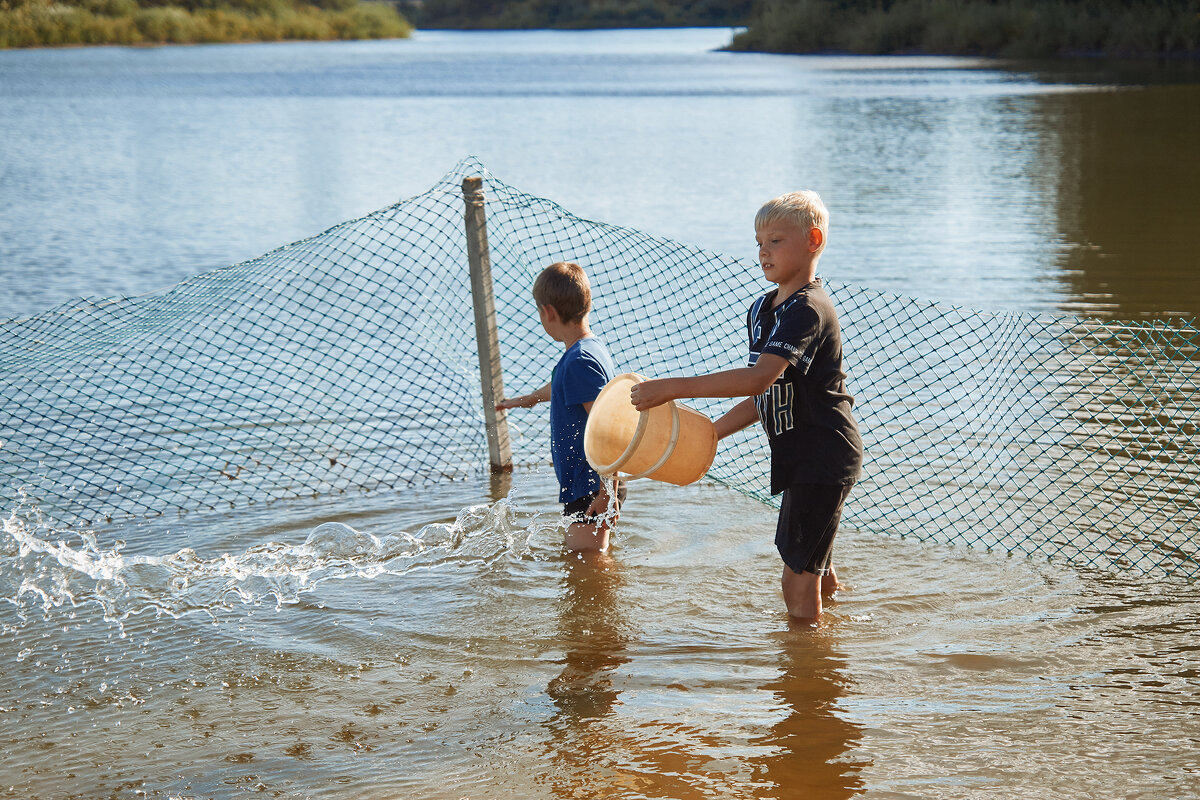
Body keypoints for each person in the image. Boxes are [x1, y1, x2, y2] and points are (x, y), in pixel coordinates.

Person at [630, 191, 862, 621]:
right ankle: (838, 633)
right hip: (800, 456)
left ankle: (806, 669)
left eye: (775, 240)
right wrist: (712, 431)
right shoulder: (762, 308)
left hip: (824, 454)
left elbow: (757, 377)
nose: (763, 251)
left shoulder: (809, 309)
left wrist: (674, 388)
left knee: (796, 577)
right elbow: (766, 393)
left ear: (813, 240)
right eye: (758, 242)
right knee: (814, 560)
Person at [496, 261, 624, 553]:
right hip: (592, 482)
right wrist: (526, 400)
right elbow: (562, 385)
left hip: (592, 484)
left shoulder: (580, 361)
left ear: (547, 312)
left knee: (588, 564)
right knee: (584, 561)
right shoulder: (587, 349)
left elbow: (607, 429)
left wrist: (608, 493)